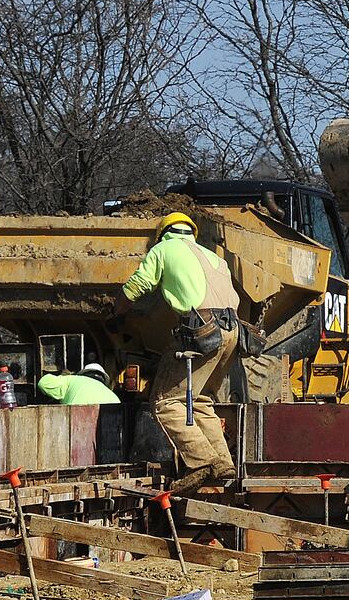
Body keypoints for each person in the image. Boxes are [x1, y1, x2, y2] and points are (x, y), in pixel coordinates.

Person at [115, 211, 242, 494]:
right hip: (232, 330)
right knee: (200, 400)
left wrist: (117, 310)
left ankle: (199, 462)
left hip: (201, 329)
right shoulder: (214, 257)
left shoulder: (163, 249)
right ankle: (223, 463)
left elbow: (138, 285)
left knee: (165, 402)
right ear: (191, 233)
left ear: (162, 234)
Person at [37, 362, 122, 406]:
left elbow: (43, 383)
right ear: (103, 379)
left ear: (84, 373)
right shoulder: (114, 397)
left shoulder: (72, 380)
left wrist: (65, 376)